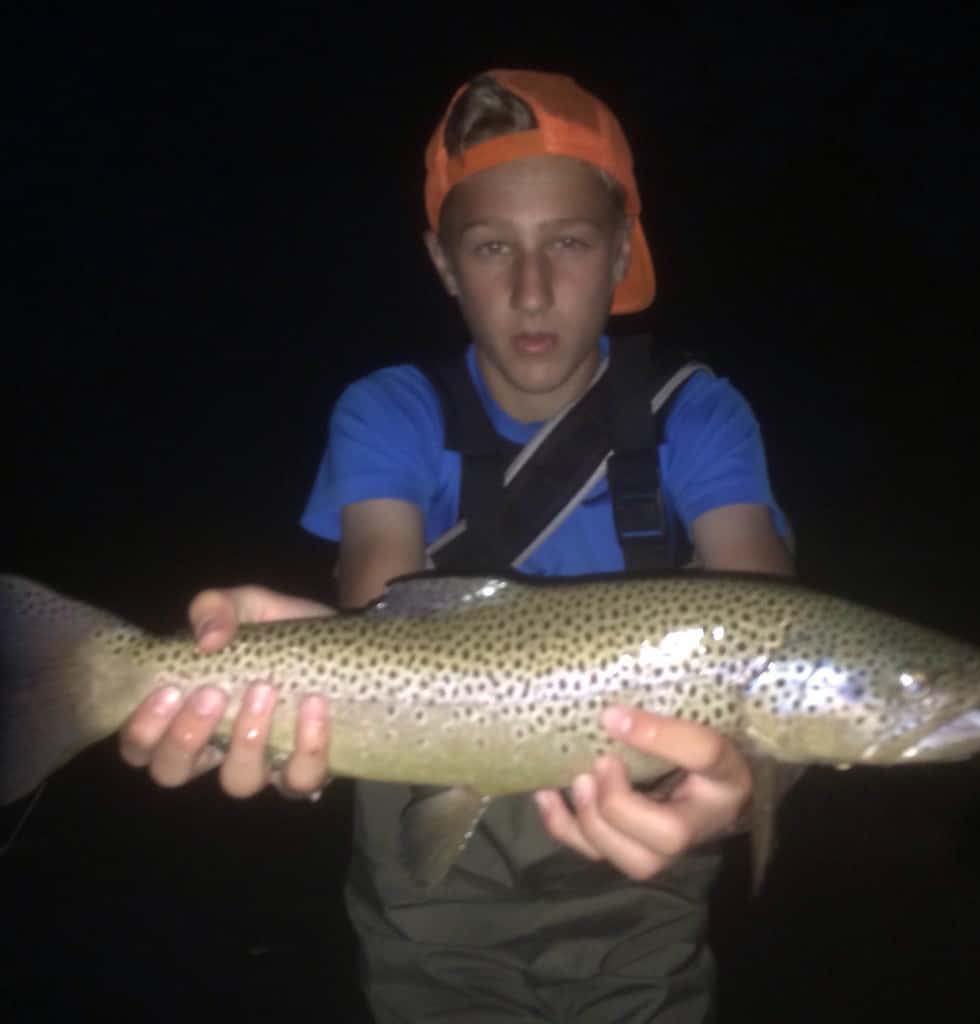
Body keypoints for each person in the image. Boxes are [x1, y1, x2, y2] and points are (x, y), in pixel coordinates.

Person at [119, 70, 794, 1022]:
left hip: (642, 867)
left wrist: (742, 778)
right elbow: (380, 592)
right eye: (491, 249)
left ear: (622, 251)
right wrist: (289, 698)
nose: (529, 289)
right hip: (429, 892)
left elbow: (769, 634)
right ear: (443, 263)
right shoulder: (387, 409)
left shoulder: (700, 412)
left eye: (566, 242)